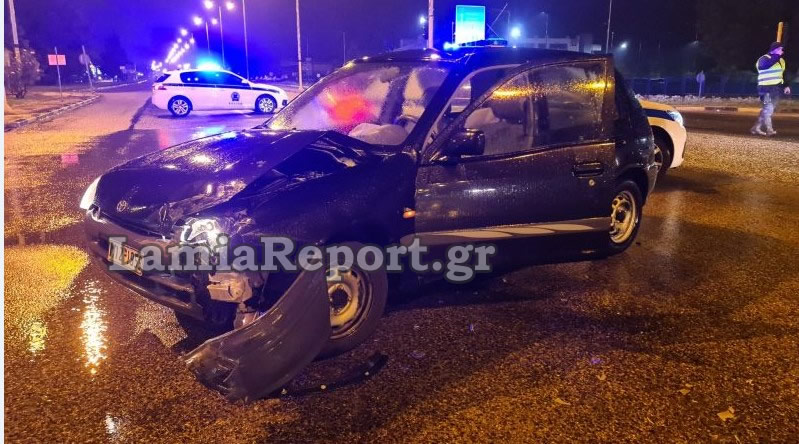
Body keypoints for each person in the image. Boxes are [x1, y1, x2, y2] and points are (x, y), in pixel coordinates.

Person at [751, 42, 791, 136]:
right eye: (780, 49)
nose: (782, 51)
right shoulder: (764, 59)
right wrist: (776, 56)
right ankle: (769, 130)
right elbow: (764, 66)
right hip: (765, 89)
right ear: (775, 49)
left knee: (768, 109)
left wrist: (786, 85)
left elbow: (783, 74)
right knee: (768, 108)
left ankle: (756, 128)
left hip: (775, 89)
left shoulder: (781, 61)